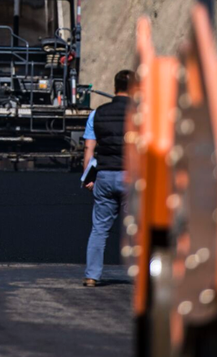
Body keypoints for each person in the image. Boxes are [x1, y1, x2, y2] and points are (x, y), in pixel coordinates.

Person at [82, 70, 133, 287]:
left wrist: (87, 178)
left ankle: (92, 276)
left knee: (99, 229)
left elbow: (89, 147)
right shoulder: (143, 113)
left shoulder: (98, 113)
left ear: (114, 88)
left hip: (104, 175)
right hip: (133, 178)